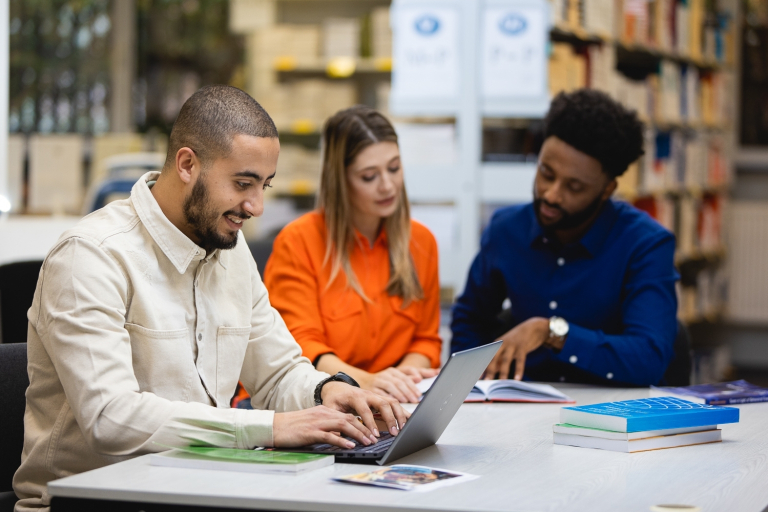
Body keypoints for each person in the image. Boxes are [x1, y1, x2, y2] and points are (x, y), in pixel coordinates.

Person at [13, 86, 407, 511]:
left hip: (199, 490)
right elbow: (111, 418)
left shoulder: (230, 252)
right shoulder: (90, 256)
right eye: (243, 183)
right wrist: (270, 428)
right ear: (187, 164)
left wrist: (327, 392)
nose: (255, 206)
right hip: (88, 503)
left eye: (264, 185)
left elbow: (277, 373)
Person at [451, 88, 679, 387]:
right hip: (514, 409)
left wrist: (553, 333)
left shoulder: (645, 244)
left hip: (611, 414)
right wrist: (475, 383)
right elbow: (469, 321)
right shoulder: (506, 230)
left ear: (607, 189)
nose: (551, 194)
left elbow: (648, 358)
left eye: (574, 187)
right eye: (546, 173)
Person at [262, 105, 441, 404]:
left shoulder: (421, 242)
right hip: (318, 402)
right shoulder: (298, 242)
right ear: (340, 181)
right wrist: (370, 383)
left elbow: (426, 340)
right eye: (369, 176)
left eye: (394, 168)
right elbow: (301, 348)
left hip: (397, 405)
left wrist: (401, 381)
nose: (387, 185)